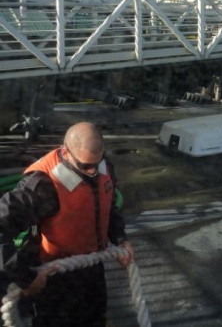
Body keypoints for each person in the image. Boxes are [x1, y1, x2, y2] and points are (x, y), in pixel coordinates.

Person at [0, 121, 135, 327]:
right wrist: (24, 277)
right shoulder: (43, 186)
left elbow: (107, 206)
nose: (92, 172)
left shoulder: (103, 166)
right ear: (66, 151)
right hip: (54, 278)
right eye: (85, 166)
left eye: (96, 164)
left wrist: (120, 238)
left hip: (91, 269)